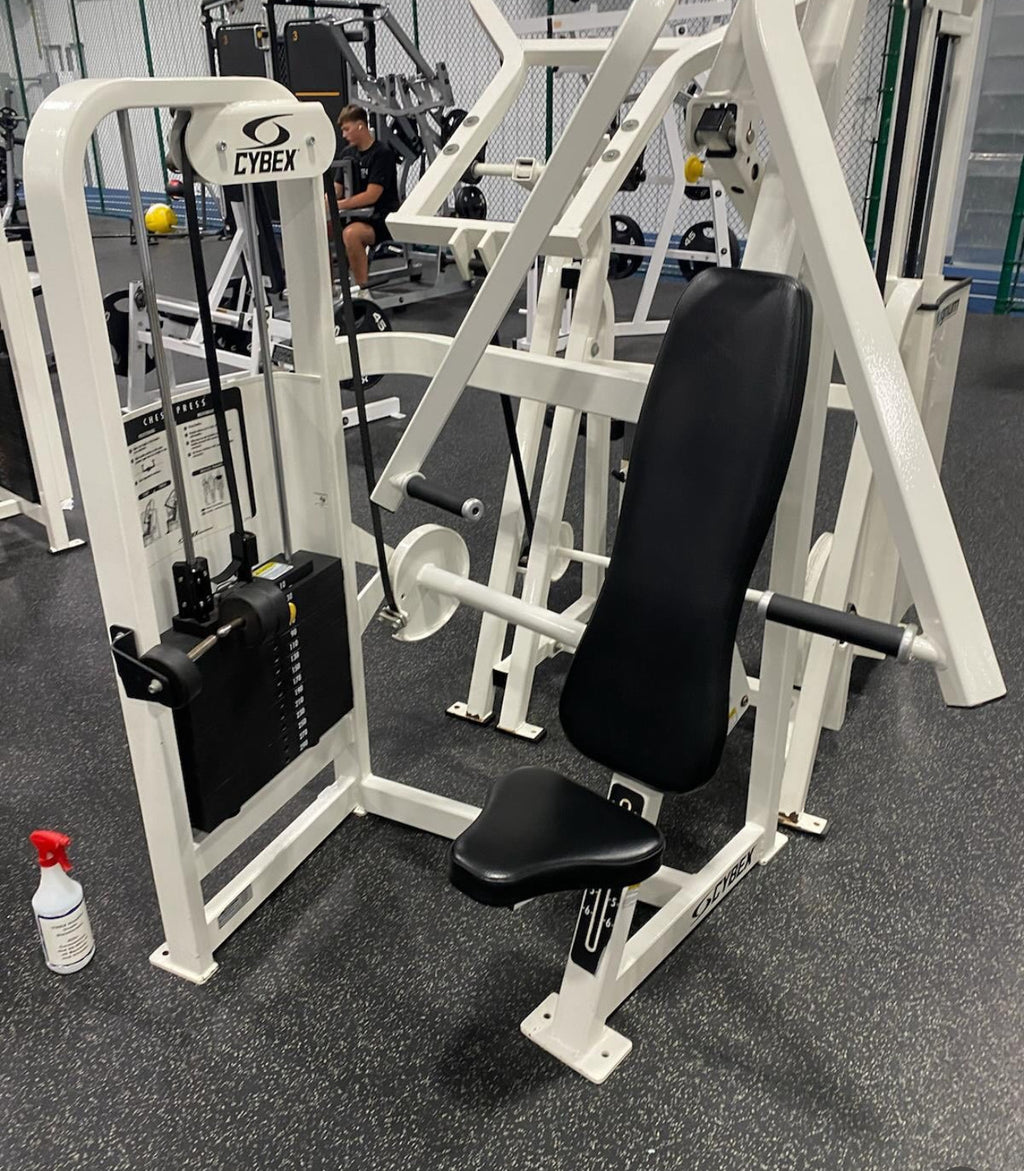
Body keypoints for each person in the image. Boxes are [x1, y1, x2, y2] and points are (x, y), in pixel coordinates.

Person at [332, 104, 400, 291]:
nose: (344, 135)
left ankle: (362, 291)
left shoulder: (382, 154)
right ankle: (327, 288)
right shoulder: (347, 154)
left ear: (360, 126)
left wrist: (339, 205)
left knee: (351, 234)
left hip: (380, 219)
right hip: (354, 216)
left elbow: (372, 195)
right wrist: (324, 203)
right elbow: (337, 188)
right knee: (319, 229)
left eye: (347, 129)